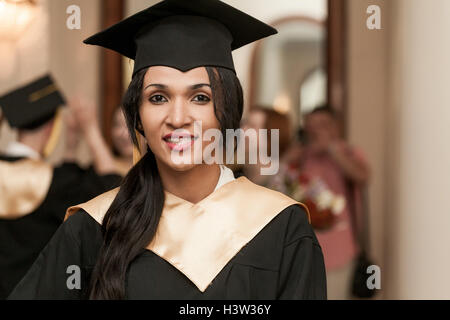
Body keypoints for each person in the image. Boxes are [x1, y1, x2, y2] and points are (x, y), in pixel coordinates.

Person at [8, 0, 326, 300]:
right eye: (158, 97)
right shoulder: (93, 228)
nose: (177, 118)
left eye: (200, 97)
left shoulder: (282, 229)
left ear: (227, 110)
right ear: (138, 117)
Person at [0, 75, 121, 299]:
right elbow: (114, 190)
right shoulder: (55, 184)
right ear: (51, 128)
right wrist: (91, 130)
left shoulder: (55, 181)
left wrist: (70, 149)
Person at [278, 105, 370, 299]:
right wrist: (287, 160)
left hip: (340, 251)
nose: (316, 131)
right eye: (311, 126)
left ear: (335, 127)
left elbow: (362, 176)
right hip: (303, 253)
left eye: (322, 125)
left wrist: (331, 148)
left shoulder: (348, 152)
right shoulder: (301, 156)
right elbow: (276, 187)